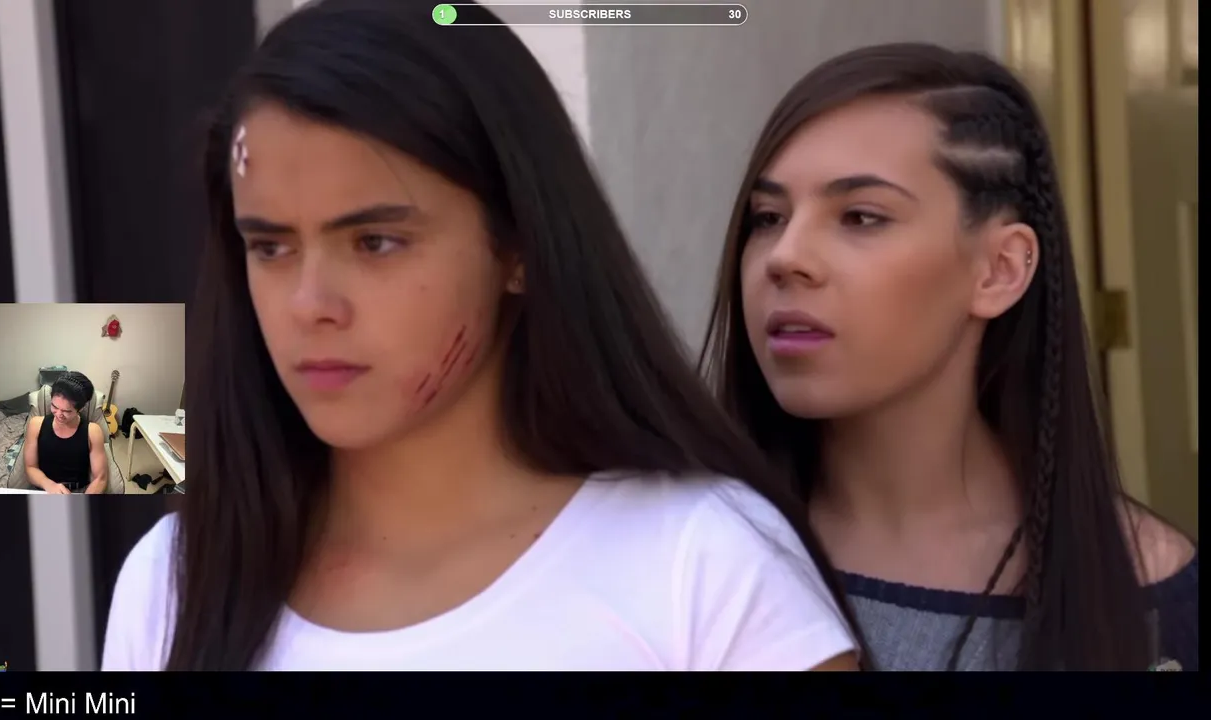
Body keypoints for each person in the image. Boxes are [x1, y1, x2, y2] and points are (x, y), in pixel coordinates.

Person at [102, 0, 860, 671]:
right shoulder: (174, 580)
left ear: (518, 247)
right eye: (270, 247)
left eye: (375, 243)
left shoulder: (703, 564)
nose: (310, 305)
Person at [701, 42, 1198, 671]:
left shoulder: (1145, 589)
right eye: (768, 217)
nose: (785, 257)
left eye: (860, 217)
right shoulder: (690, 553)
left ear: (999, 269)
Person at [24, 371, 108, 495]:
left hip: (79, 491)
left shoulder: (93, 431)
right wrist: (49, 485)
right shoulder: (36, 425)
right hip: (44, 488)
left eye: (66, 411)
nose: (59, 415)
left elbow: (100, 478)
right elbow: (30, 467)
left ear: (80, 409)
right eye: (54, 407)